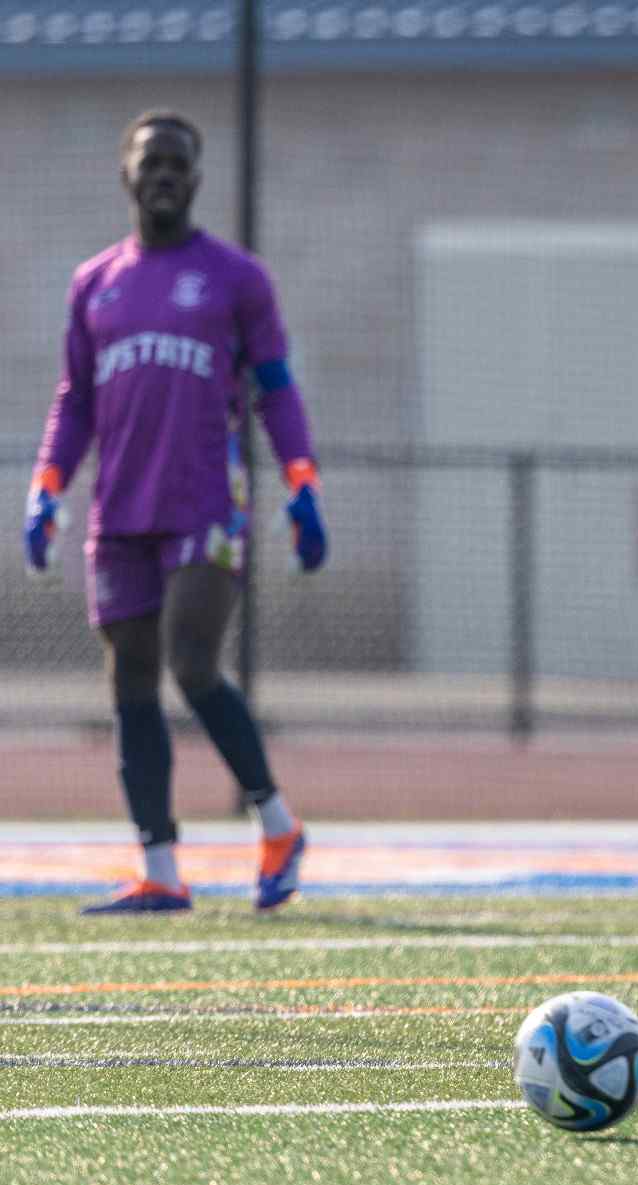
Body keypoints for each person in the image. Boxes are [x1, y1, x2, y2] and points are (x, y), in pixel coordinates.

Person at [23, 110, 327, 915]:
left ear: (195, 178)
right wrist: (46, 488)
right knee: (129, 679)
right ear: (126, 173)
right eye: (149, 161)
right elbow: (74, 400)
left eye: (177, 163)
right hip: (122, 506)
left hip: (205, 501)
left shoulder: (235, 278)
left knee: (191, 665)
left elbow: (275, 387)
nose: (162, 174)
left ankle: (276, 825)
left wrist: (303, 483)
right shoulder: (95, 282)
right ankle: (160, 867)